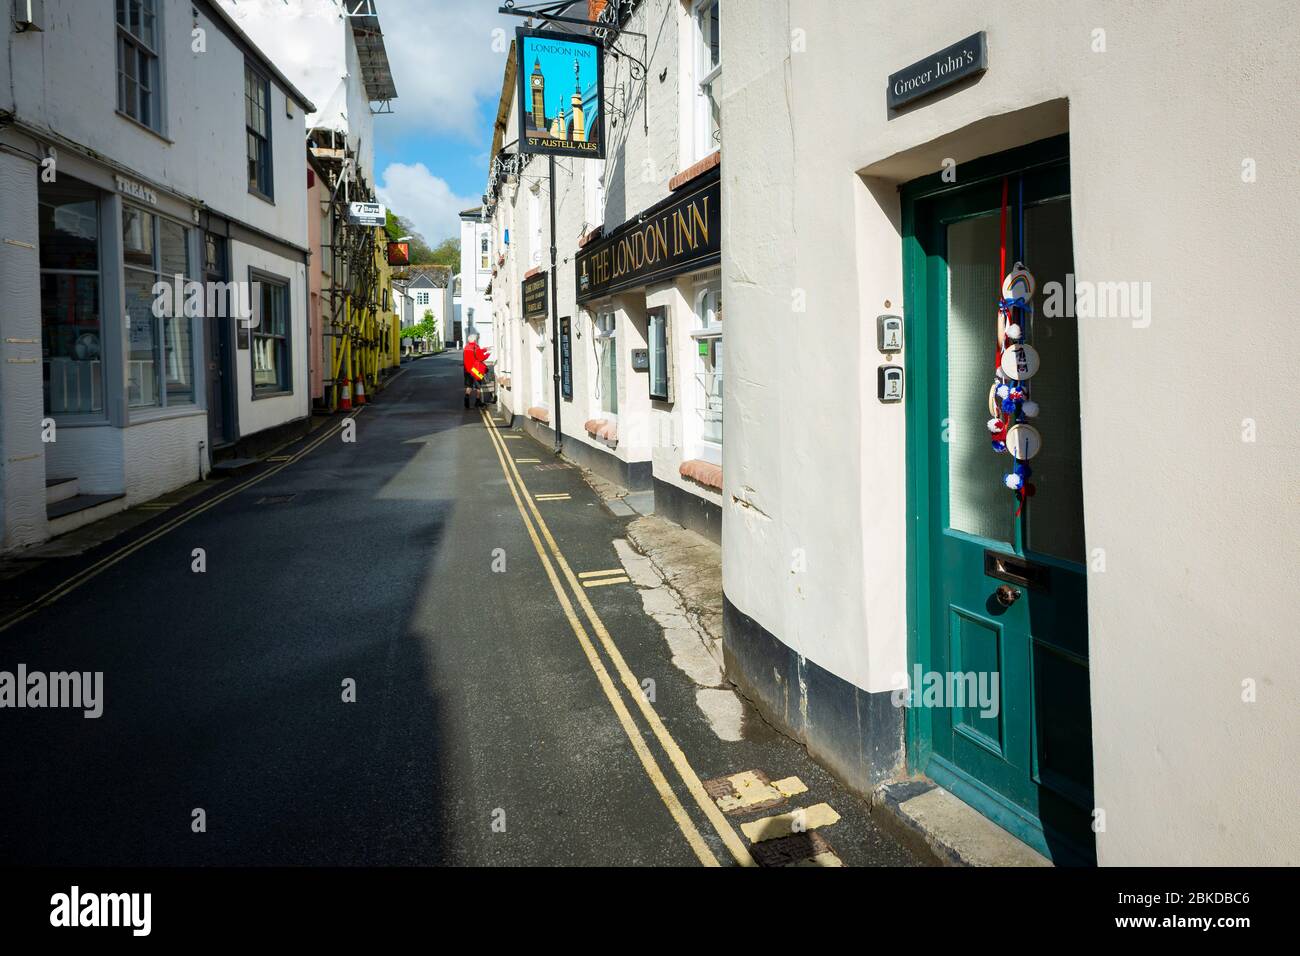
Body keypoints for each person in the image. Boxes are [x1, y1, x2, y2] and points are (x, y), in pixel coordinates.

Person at [463, 332, 491, 408]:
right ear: (475, 340)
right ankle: (477, 401)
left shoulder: (466, 347)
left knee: (469, 386)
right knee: (479, 386)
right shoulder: (476, 347)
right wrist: (488, 354)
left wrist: (485, 349)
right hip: (476, 370)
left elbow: (475, 353)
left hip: (467, 370)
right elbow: (481, 357)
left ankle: (466, 399)